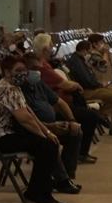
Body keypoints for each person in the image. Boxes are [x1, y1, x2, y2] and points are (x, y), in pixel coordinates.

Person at [0, 57, 68, 203]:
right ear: (7, 72)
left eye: (24, 70)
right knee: (47, 147)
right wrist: (44, 136)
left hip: (8, 134)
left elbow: (29, 113)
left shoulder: (15, 86)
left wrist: (47, 132)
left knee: (47, 144)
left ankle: (36, 191)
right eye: (18, 71)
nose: (23, 74)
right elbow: (24, 120)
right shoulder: (8, 89)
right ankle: (41, 193)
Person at [19, 51, 87, 192]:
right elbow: (25, 119)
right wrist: (49, 128)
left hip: (50, 125)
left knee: (75, 132)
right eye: (34, 69)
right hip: (33, 128)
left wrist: (71, 120)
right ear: (25, 70)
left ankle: (66, 177)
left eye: (39, 69)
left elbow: (60, 102)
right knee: (51, 140)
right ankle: (62, 180)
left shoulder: (39, 84)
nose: (37, 72)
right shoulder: (19, 89)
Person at [59, 35, 112, 133]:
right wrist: (99, 85)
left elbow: (88, 78)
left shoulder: (78, 59)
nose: (90, 53)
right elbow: (87, 81)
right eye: (89, 51)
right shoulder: (77, 62)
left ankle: (100, 115)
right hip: (85, 91)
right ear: (84, 51)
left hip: (89, 87)